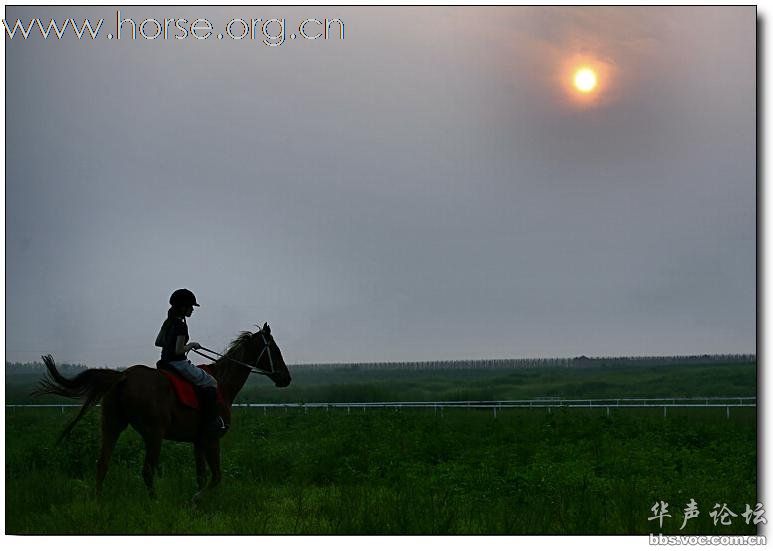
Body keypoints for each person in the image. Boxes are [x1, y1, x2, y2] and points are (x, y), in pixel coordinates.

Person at [155, 288, 227, 437]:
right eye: (191, 306)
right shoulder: (181, 325)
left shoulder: (168, 322)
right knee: (211, 382)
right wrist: (192, 345)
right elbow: (179, 350)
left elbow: (158, 342)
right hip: (178, 363)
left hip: (164, 362)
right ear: (183, 307)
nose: (193, 310)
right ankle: (210, 422)